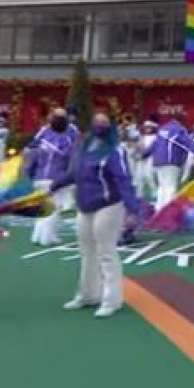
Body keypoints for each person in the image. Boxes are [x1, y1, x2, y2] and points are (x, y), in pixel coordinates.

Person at [50, 112, 141, 318]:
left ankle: (111, 300)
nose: (99, 125)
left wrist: (133, 209)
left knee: (106, 252)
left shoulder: (115, 151)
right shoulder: (85, 146)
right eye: (96, 121)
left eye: (104, 122)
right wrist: (56, 184)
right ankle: (88, 294)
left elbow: (123, 180)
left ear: (111, 126)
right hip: (85, 204)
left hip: (108, 205)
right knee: (86, 251)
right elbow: (76, 173)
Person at [25, 108, 78, 247]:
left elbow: (31, 157)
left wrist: (30, 175)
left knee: (43, 207)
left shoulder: (42, 141)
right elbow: (72, 159)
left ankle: (37, 236)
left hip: (39, 177)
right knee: (53, 209)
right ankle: (46, 238)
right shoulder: (67, 142)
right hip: (56, 178)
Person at [144, 114, 194, 210]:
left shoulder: (162, 130)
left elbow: (153, 145)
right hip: (171, 162)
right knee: (170, 188)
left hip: (158, 162)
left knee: (162, 188)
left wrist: (144, 154)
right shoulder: (179, 129)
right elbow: (187, 142)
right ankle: (166, 214)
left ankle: (159, 210)